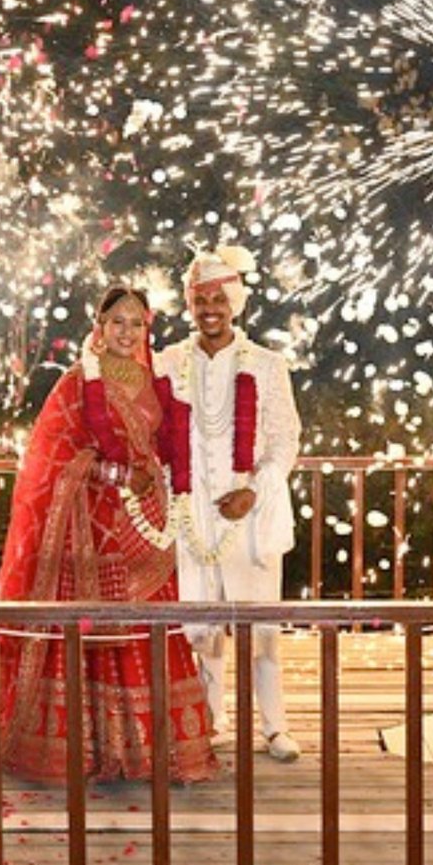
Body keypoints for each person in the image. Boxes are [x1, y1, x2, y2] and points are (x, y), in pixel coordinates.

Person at [0, 286, 218, 784]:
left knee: (145, 626)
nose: (127, 333)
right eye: (117, 323)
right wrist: (116, 476)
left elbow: (160, 446)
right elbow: (54, 458)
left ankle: (148, 748)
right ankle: (86, 746)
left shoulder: (155, 381)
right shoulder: (74, 383)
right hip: (88, 522)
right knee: (94, 630)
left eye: (136, 324)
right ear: (99, 327)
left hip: (146, 521)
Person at [154, 246, 304, 762]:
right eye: (200, 300)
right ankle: (210, 721)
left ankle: (275, 727)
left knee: (262, 629)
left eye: (219, 298)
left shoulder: (266, 363)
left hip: (250, 512)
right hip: (192, 512)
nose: (209, 308)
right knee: (202, 628)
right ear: (190, 305)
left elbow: (285, 439)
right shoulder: (167, 363)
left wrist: (255, 488)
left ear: (235, 302)